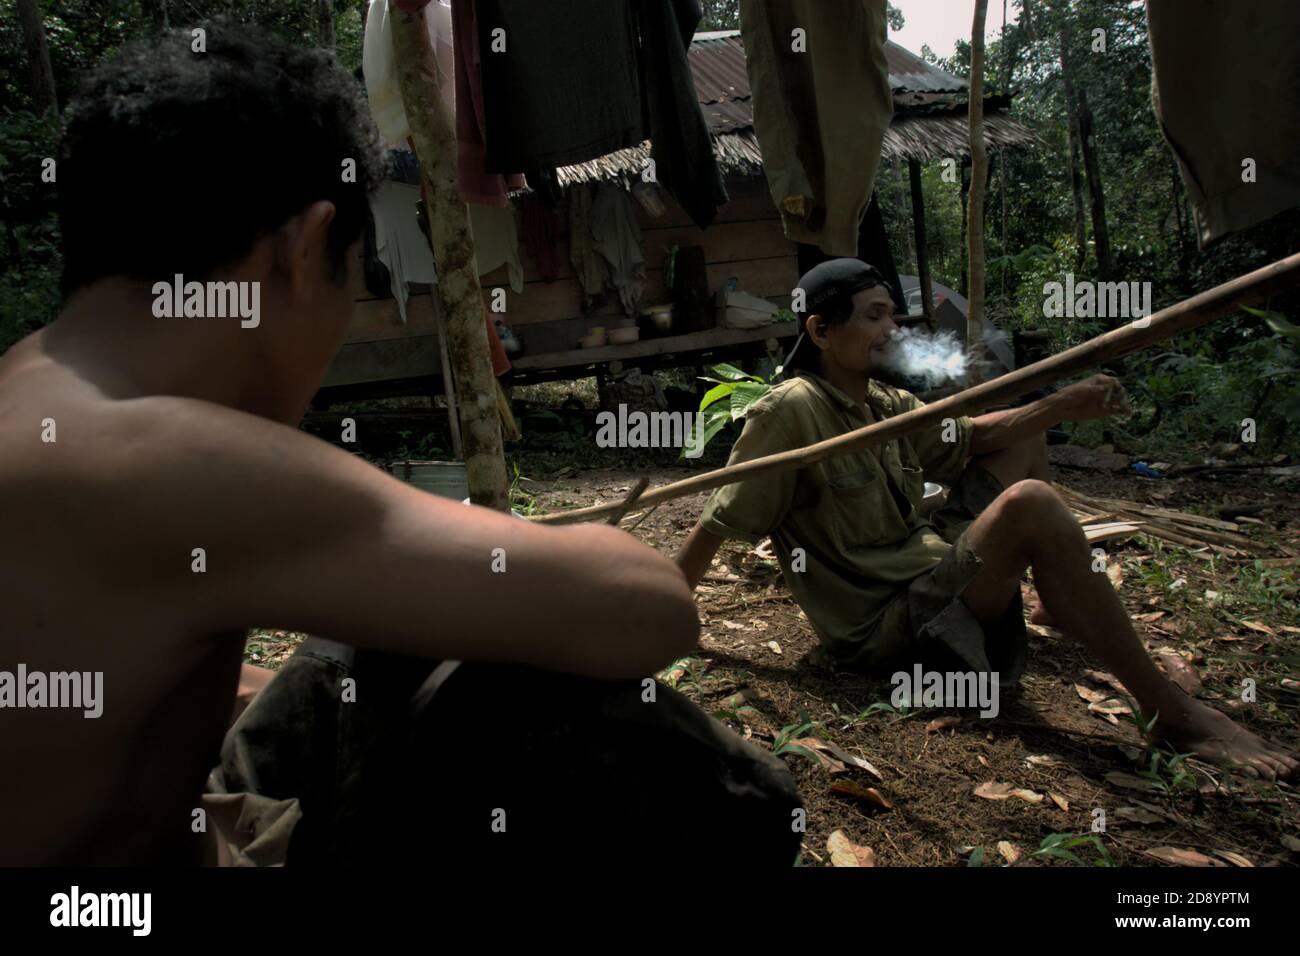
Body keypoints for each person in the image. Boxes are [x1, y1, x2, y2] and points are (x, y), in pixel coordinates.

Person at [0, 24, 799, 866]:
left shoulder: (29, 390)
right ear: (306, 252)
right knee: (542, 689)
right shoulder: (162, 458)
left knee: (358, 646)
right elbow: (649, 607)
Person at [676, 258, 1297, 780]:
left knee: (1027, 439)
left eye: (891, 313)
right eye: (874, 316)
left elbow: (969, 435)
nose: (892, 327)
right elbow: (720, 519)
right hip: (890, 623)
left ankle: (1059, 601)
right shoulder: (792, 410)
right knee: (1030, 501)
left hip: (928, 566)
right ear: (819, 330)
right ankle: (1173, 715)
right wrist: (669, 613)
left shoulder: (882, 401)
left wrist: (1057, 407)